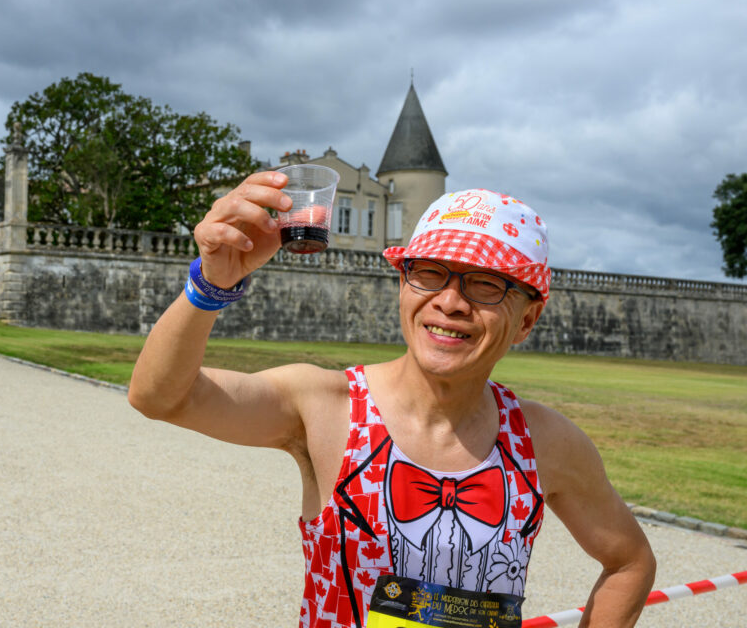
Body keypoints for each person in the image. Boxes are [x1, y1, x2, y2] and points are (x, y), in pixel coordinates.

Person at [128, 173, 656, 627]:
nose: (449, 302)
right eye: (429, 273)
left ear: (527, 320)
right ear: (403, 287)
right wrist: (210, 285)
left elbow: (629, 562)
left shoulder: (545, 442)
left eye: (486, 285)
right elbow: (160, 397)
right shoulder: (327, 406)